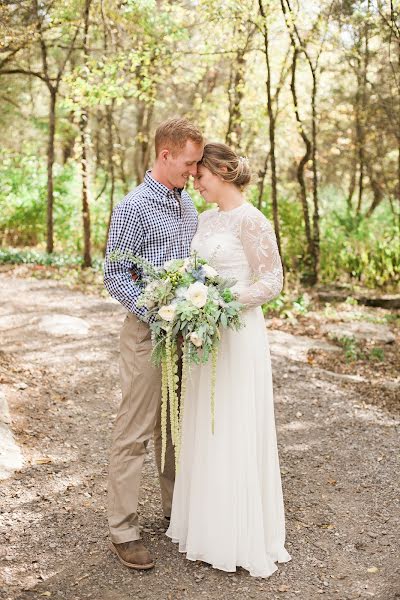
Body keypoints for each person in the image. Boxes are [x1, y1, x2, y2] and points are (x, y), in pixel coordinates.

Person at [166, 143, 291, 578]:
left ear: (221, 172)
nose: (196, 183)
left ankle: (237, 534)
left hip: (236, 333)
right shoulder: (204, 219)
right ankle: (205, 527)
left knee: (233, 420)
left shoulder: (252, 220)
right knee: (206, 420)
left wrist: (222, 301)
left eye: (200, 175)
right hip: (205, 334)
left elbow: (271, 281)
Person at [103, 117, 204, 570]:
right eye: (189, 162)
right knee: (136, 430)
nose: (194, 171)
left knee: (175, 431)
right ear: (166, 155)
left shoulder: (189, 209)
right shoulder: (133, 207)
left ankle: (174, 513)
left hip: (187, 336)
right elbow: (115, 277)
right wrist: (158, 315)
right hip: (147, 336)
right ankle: (123, 530)